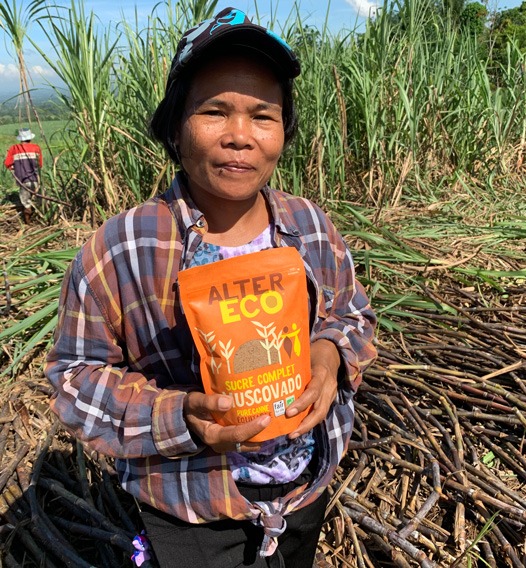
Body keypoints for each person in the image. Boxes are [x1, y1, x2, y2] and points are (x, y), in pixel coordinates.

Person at [45, 7, 377, 568]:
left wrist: (328, 355)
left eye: (263, 116)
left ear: (284, 131)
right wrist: (180, 419)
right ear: (176, 126)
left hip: (304, 489)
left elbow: (353, 315)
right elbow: (75, 379)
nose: (240, 137)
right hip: (191, 508)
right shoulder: (122, 248)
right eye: (214, 111)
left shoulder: (310, 227)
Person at [3, 127, 43, 224]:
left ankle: (28, 223)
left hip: (23, 181)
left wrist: (14, 167)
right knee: (39, 201)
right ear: (30, 138)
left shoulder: (14, 148)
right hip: (36, 180)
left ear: (20, 139)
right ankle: (40, 220)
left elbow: (7, 163)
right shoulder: (36, 148)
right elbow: (40, 164)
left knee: (26, 202)